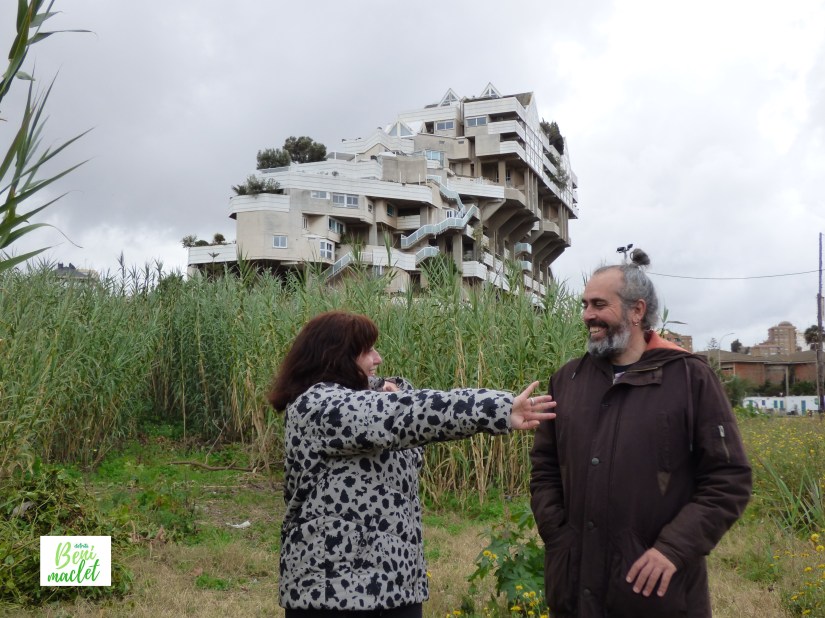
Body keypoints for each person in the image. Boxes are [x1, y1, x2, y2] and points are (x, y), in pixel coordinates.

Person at [269, 310, 557, 617]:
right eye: (367, 351)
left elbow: (399, 417)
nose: (378, 358)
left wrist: (388, 389)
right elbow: (407, 415)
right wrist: (496, 408)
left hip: (394, 582)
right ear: (336, 356)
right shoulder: (319, 407)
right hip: (333, 588)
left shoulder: (369, 398)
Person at [530, 250, 752, 618]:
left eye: (599, 304)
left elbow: (729, 478)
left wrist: (674, 548)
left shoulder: (689, 378)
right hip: (573, 587)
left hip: (655, 595)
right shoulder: (567, 380)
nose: (587, 315)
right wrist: (558, 536)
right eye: (585, 304)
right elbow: (545, 468)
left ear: (637, 310)